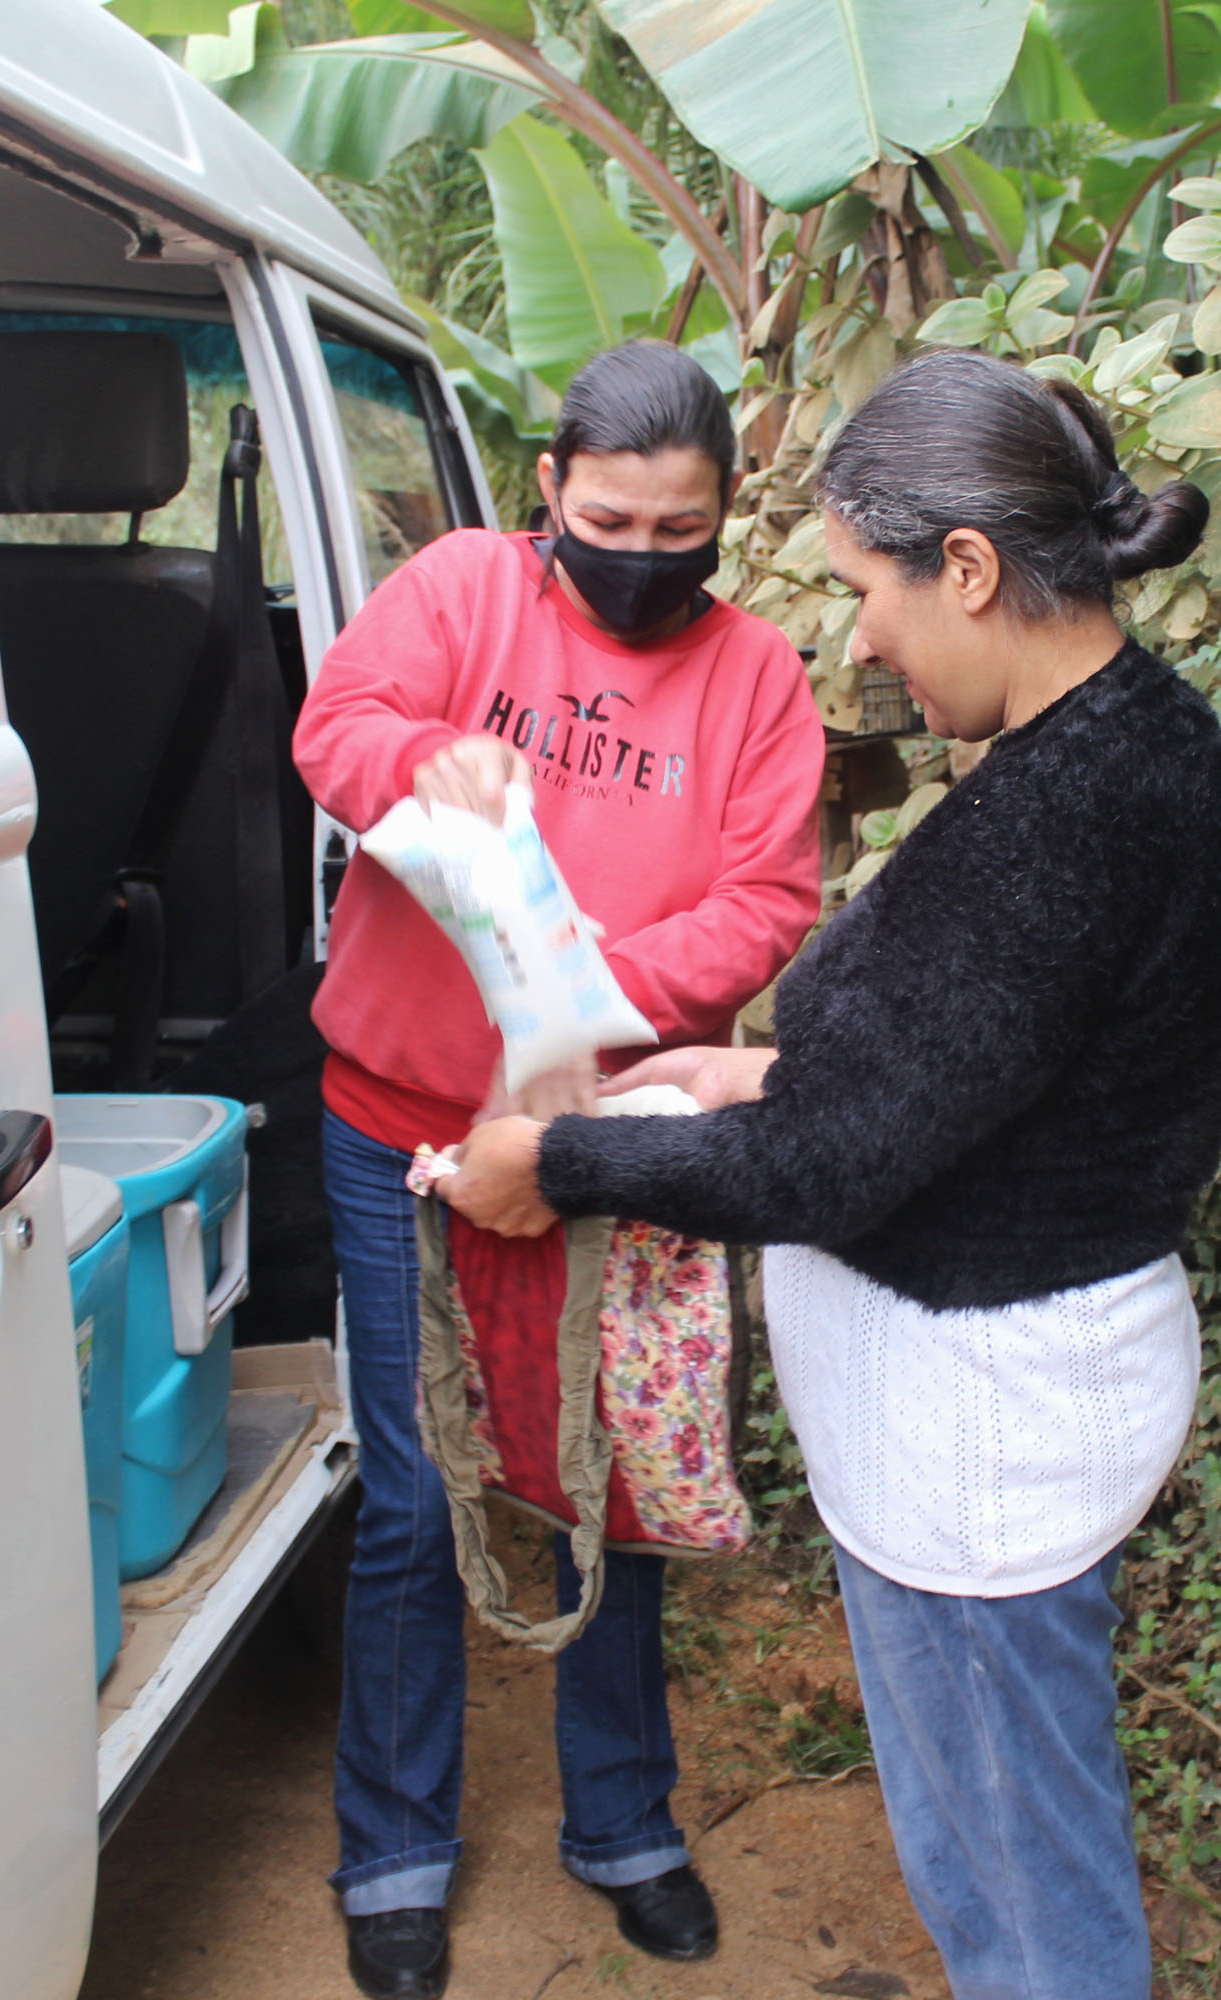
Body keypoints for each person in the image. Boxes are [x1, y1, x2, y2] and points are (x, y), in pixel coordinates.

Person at [436, 348, 1221, 2000]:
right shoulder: (1122, 742)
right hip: (990, 1404)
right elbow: (987, 1068)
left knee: (1030, 1889)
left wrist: (560, 1161)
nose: (860, 637)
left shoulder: (1063, 813)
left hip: (987, 1437)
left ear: (968, 567)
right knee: (981, 1854)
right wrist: (747, 1065)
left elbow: (827, 1167)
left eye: (869, 591)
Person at [290, 339, 826, 2000]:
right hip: (403, 1123)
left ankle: (625, 1825)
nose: (647, 559)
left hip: (615, 1145)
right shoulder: (461, 593)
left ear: (727, 513)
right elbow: (338, 722)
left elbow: (767, 901)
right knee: (411, 1493)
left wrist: (581, 982)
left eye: (684, 534)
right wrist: (417, 763)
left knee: (620, 1488)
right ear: (550, 493)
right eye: (614, 522)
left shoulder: (760, 680)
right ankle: (393, 1851)